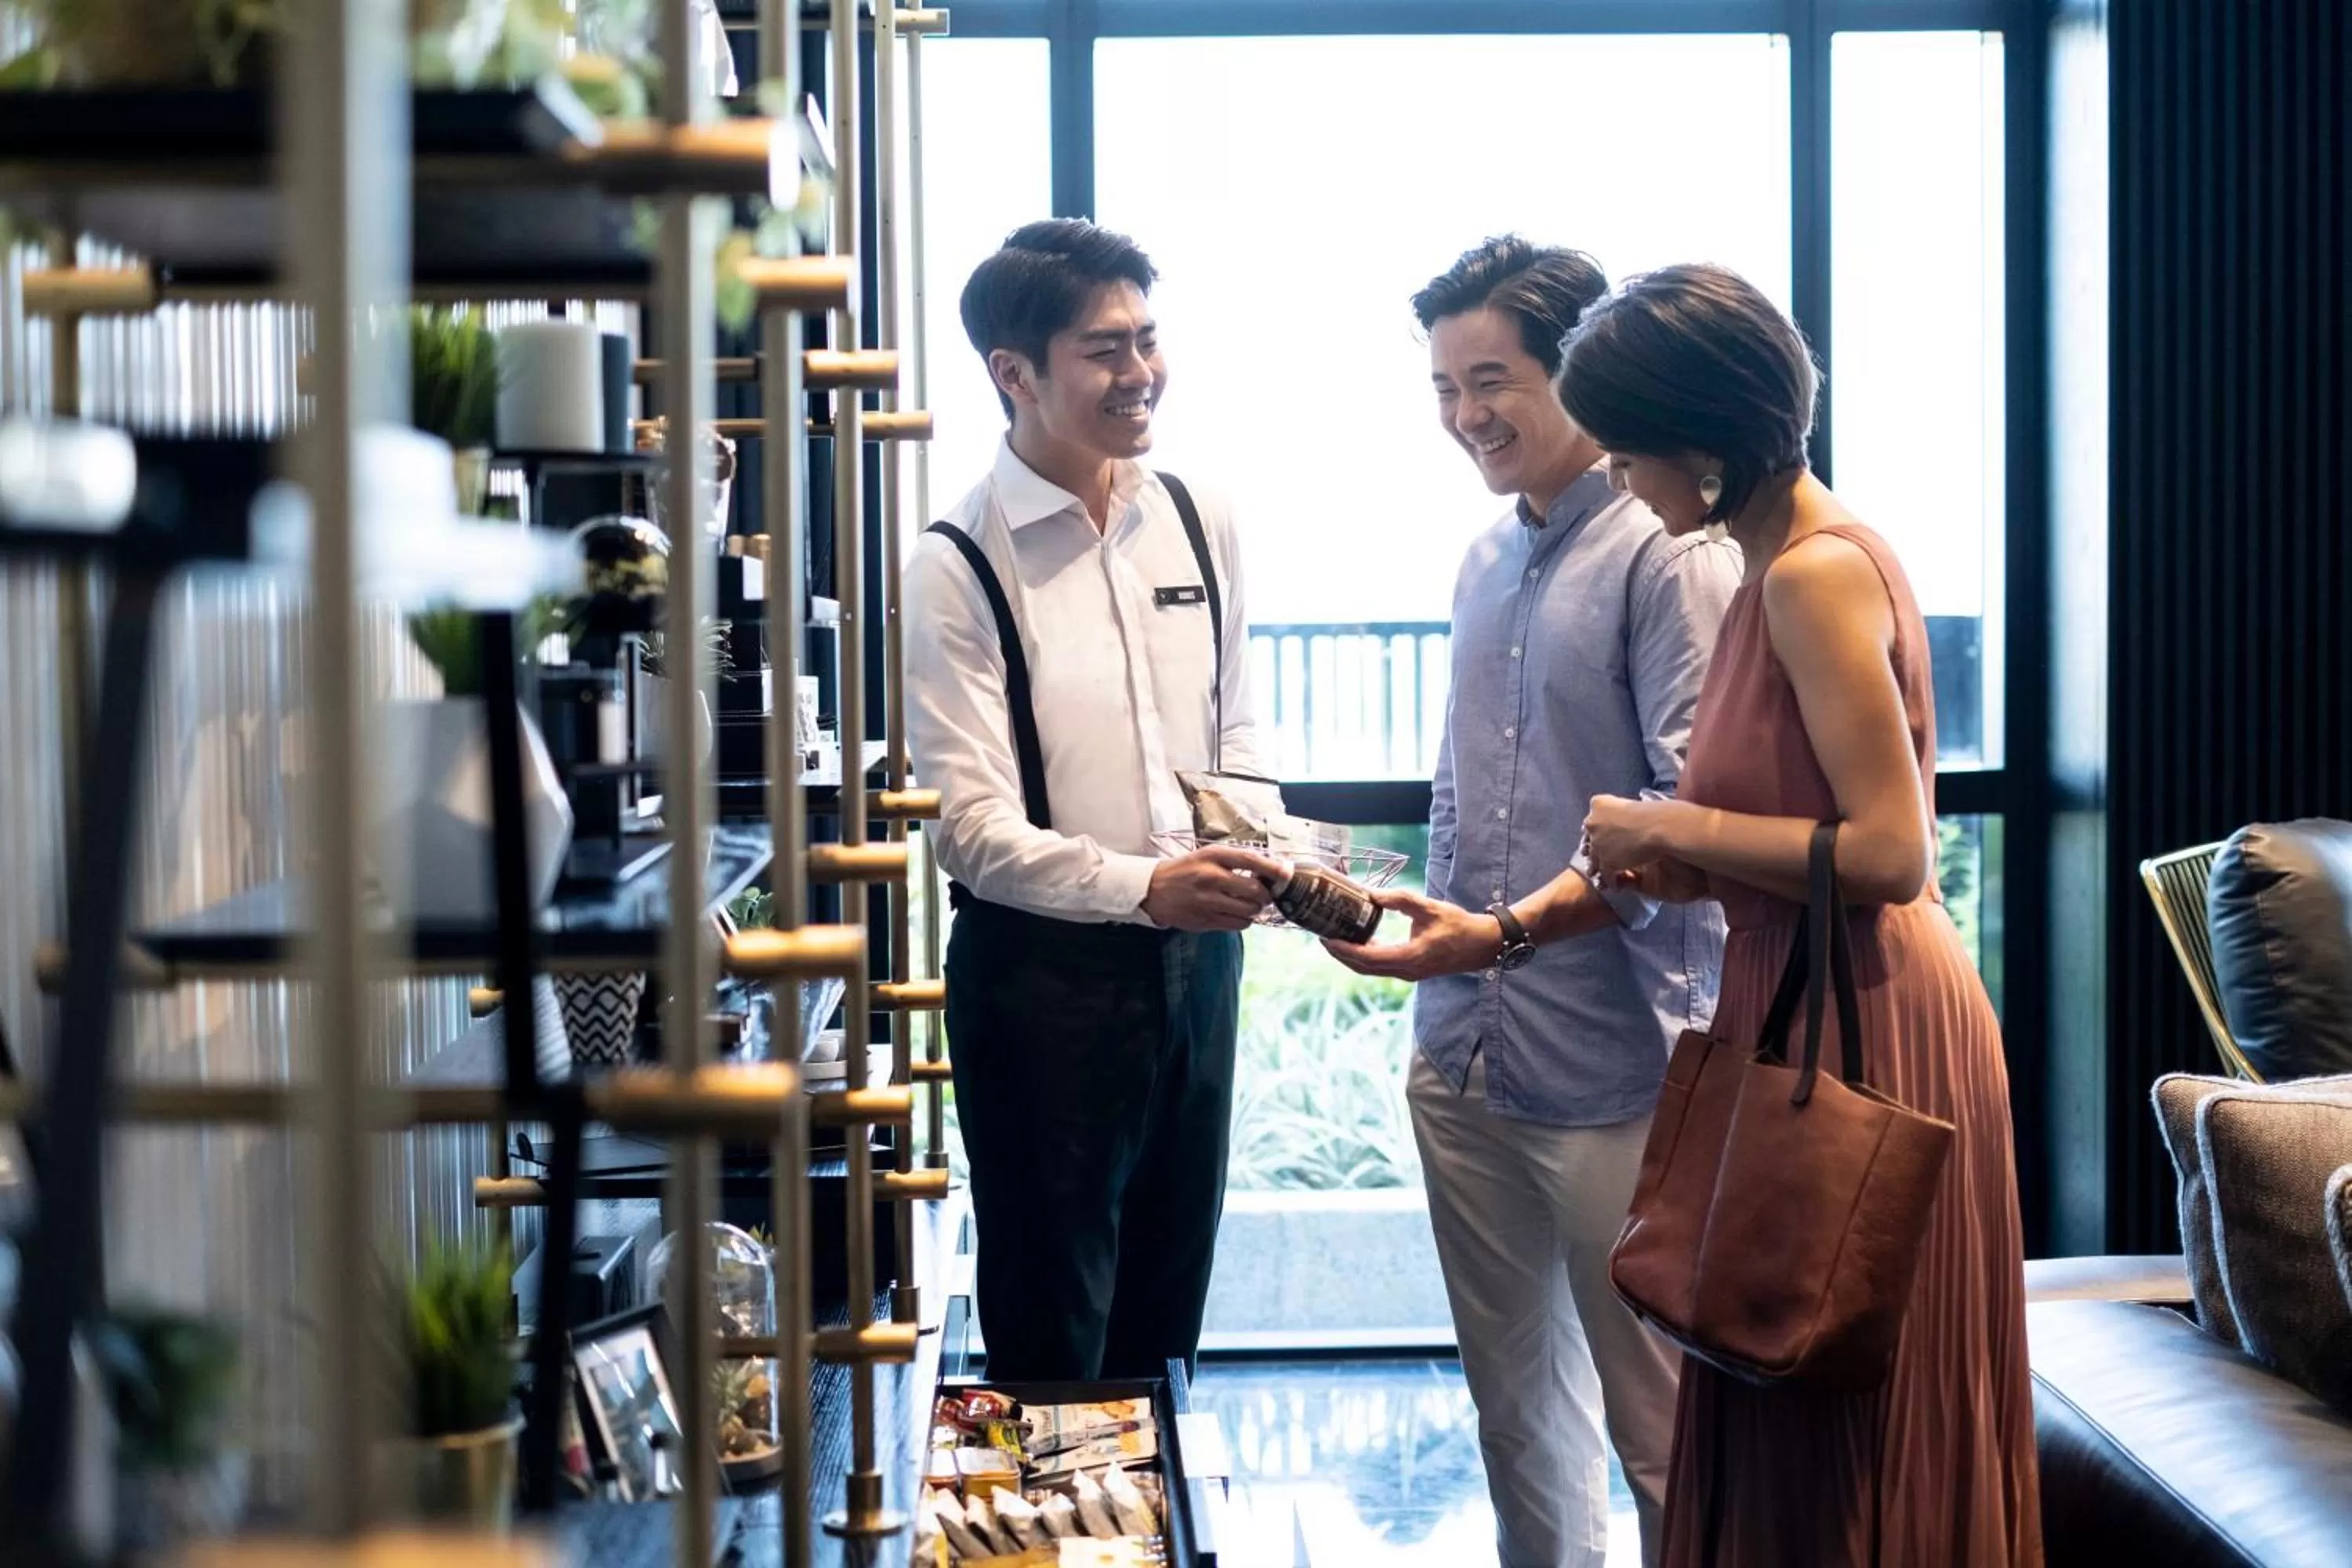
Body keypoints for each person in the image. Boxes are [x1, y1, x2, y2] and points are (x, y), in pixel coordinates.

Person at [1557, 263, 2042, 1566]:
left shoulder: (1808, 578)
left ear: (1703, 450)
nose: (1615, 477)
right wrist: (1705, 869)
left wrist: (1676, 829)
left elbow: (1891, 850)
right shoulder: (1794, 555)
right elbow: (1818, 824)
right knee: (1801, 1384)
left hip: (1865, 1016)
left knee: (1833, 1400)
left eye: (1625, 449)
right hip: (1813, 993)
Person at [1327, 237, 1740, 1568]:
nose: (1465, 418)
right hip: (1462, 1053)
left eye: (1491, 380)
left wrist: (1506, 932)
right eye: (1445, 388)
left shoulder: (1674, 557)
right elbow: (1463, 798)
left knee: (1664, 1429)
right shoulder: (1480, 562)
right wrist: (1385, 907)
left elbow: (1687, 830)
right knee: (1515, 1417)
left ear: (1579, 369)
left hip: (1625, 1070)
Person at [903, 220, 1279, 1384]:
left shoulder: (1197, 515)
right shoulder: (954, 564)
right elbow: (972, 831)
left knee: (1171, 1310)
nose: (1142, 373)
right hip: (1041, 981)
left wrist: (1257, 858)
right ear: (1013, 374)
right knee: (1055, 1321)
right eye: (1105, 350)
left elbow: (1237, 730)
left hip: (1199, 965)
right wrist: (1146, 887)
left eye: (1148, 341)